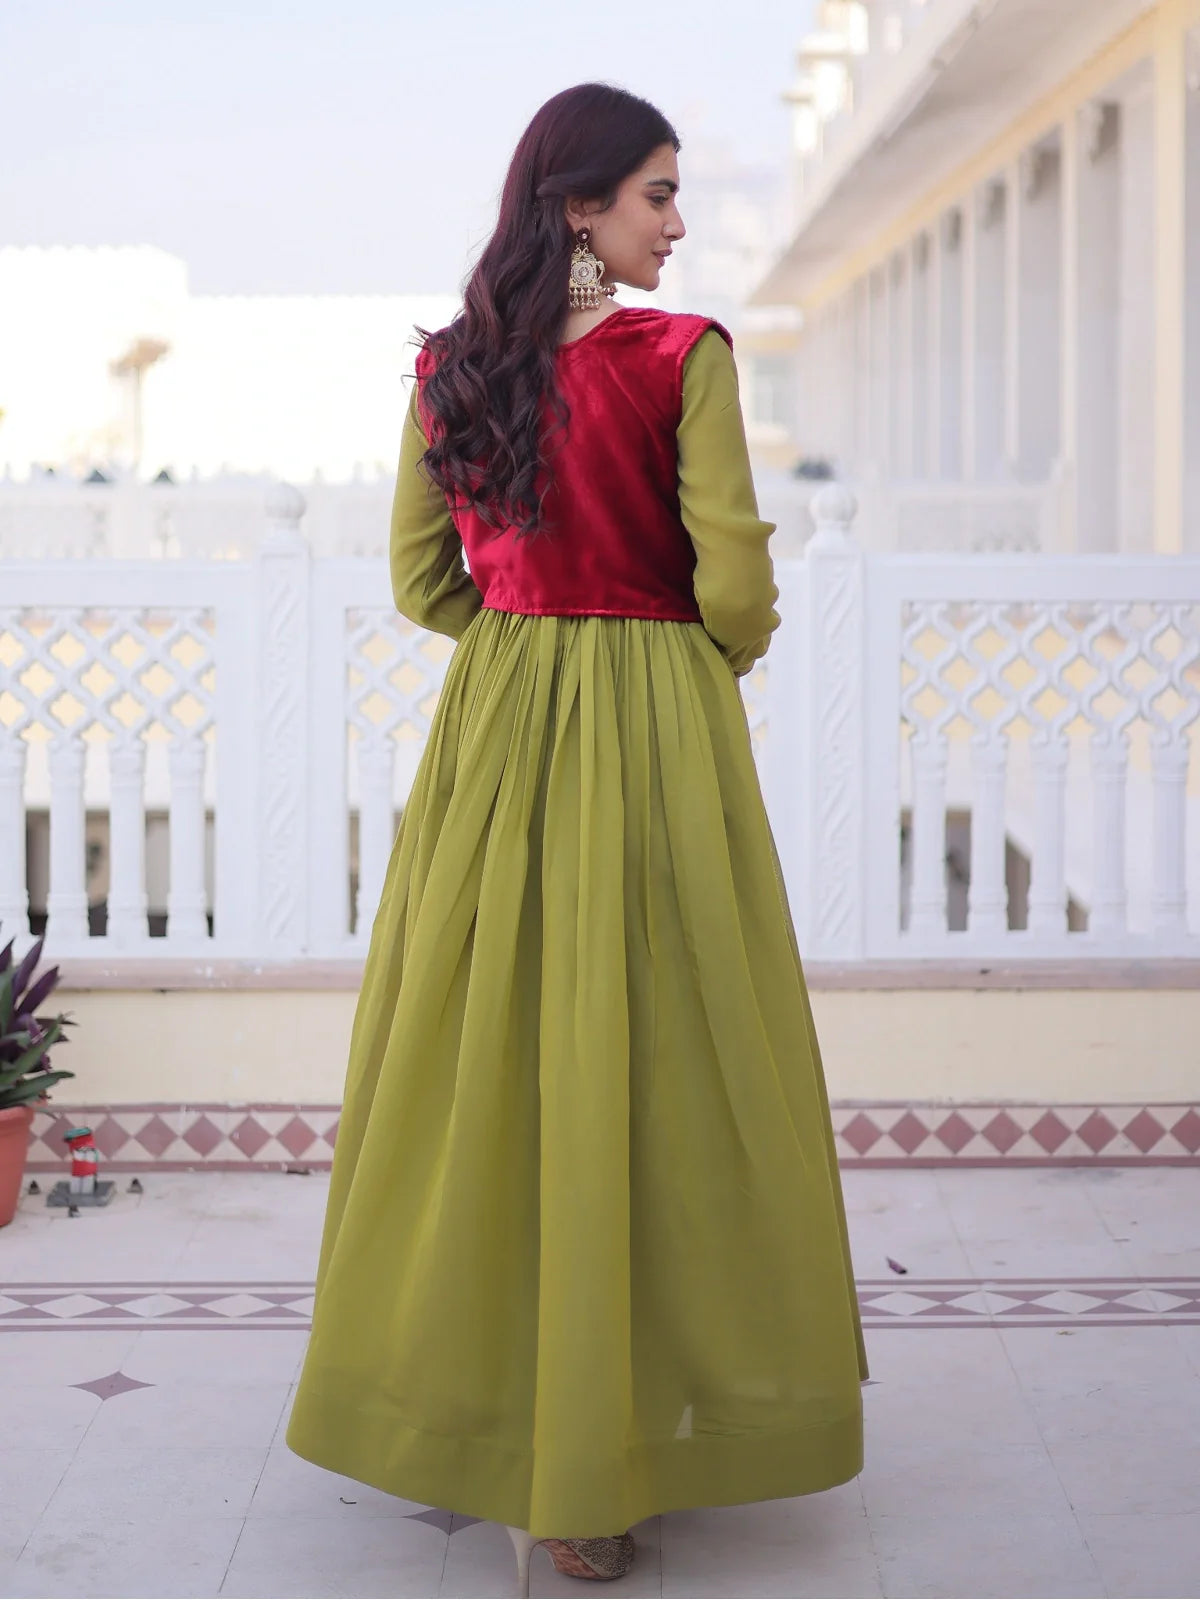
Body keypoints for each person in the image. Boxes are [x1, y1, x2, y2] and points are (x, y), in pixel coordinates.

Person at [285, 81, 868, 1595]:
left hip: (499, 729)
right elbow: (734, 585)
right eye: (658, 195)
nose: (678, 226)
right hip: (661, 724)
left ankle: (494, 1435)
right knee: (673, 1064)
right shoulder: (686, 360)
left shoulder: (449, 368)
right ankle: (632, 1449)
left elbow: (423, 582)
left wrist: (529, 642)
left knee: (487, 1070)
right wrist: (676, 667)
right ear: (580, 207)